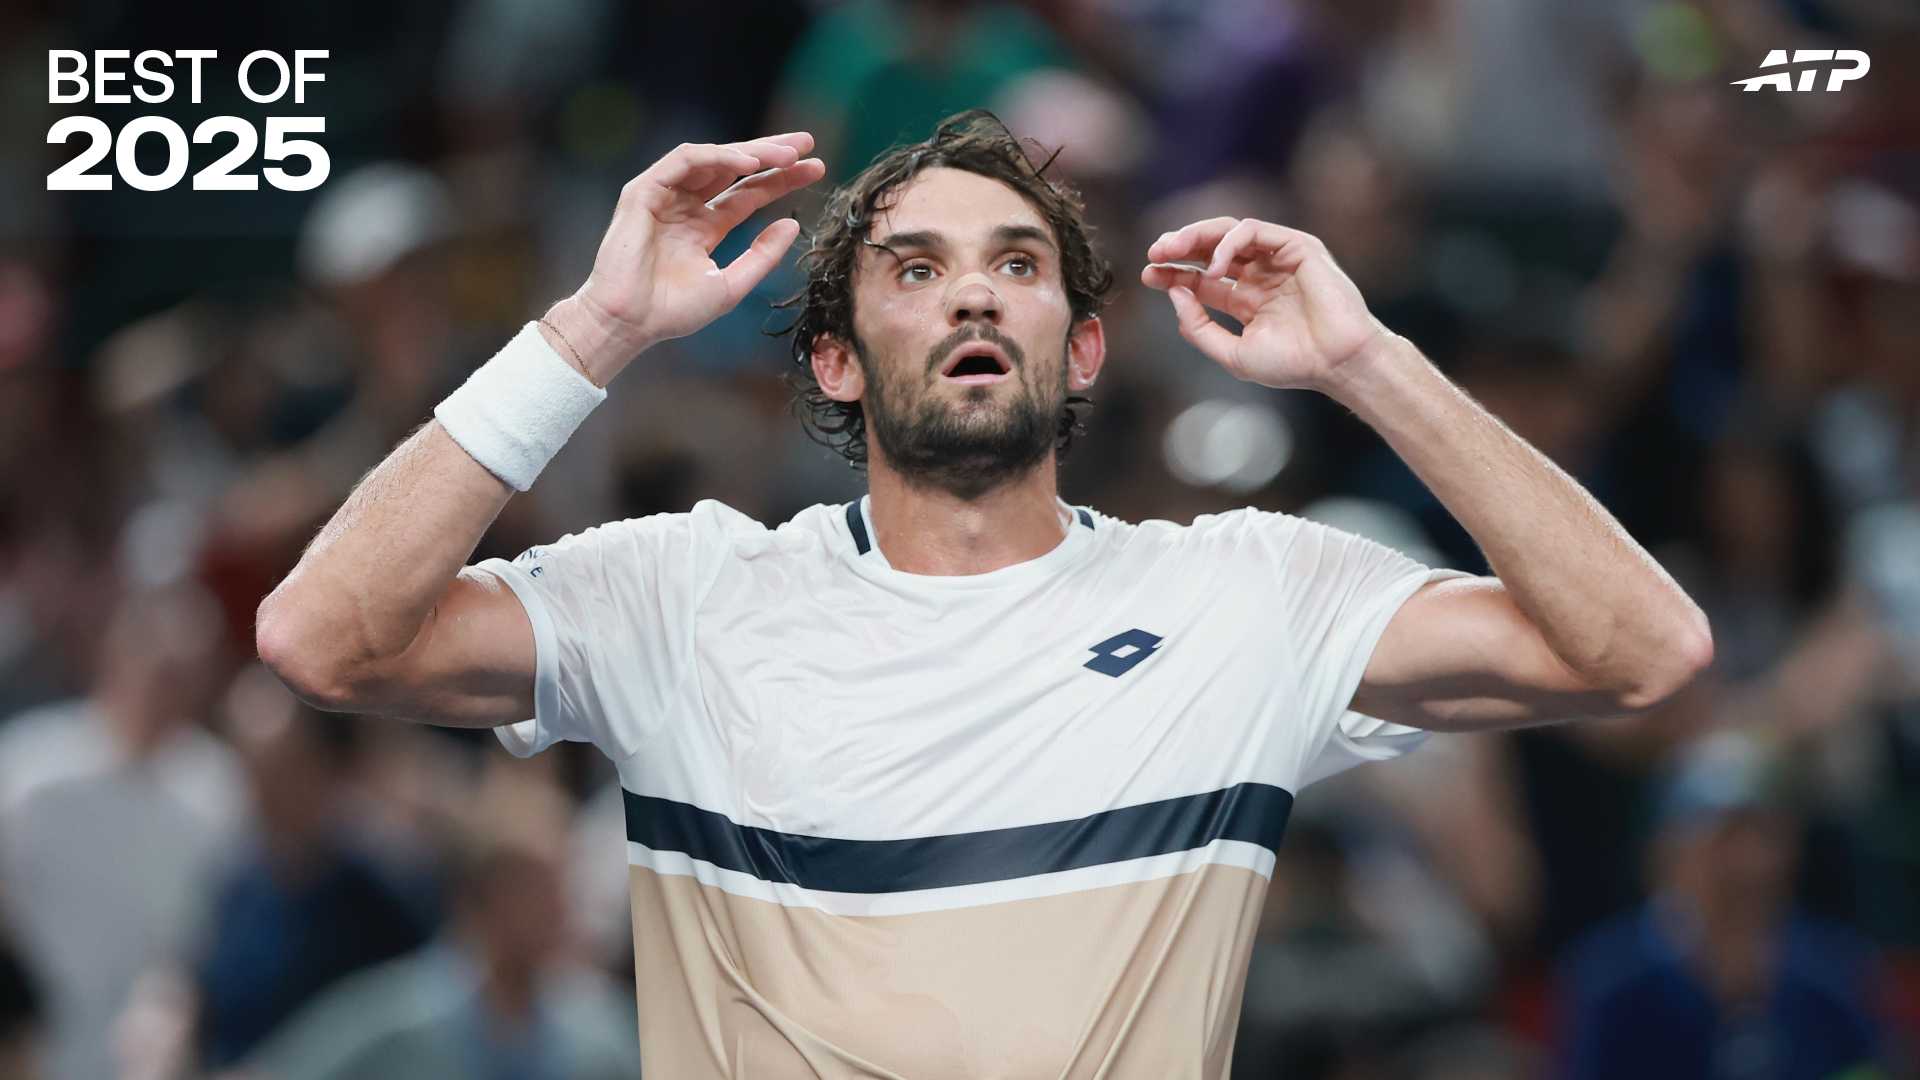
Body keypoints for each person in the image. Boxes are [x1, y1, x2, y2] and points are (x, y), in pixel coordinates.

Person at [256, 111, 1712, 1078]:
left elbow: (1642, 652)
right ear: (836, 362)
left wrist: (1368, 364)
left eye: (1017, 265)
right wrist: (593, 329)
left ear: (1081, 353)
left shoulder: (1249, 595)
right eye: (915, 268)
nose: (970, 294)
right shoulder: (680, 595)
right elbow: (324, 638)